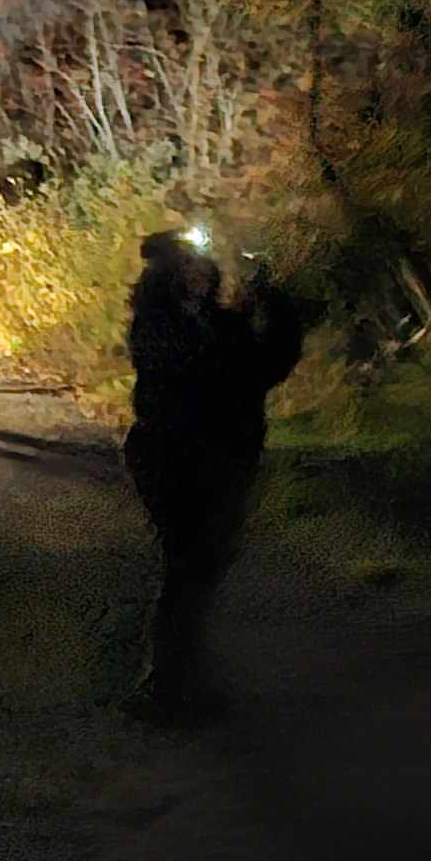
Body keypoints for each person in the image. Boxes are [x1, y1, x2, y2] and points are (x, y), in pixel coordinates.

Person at [124, 231, 313, 715]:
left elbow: (264, 362)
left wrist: (266, 304)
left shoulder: (195, 322)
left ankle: (178, 673)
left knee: (197, 564)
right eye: (194, 265)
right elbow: (246, 368)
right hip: (187, 454)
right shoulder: (170, 325)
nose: (205, 273)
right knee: (192, 563)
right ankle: (172, 680)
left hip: (208, 453)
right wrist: (261, 310)